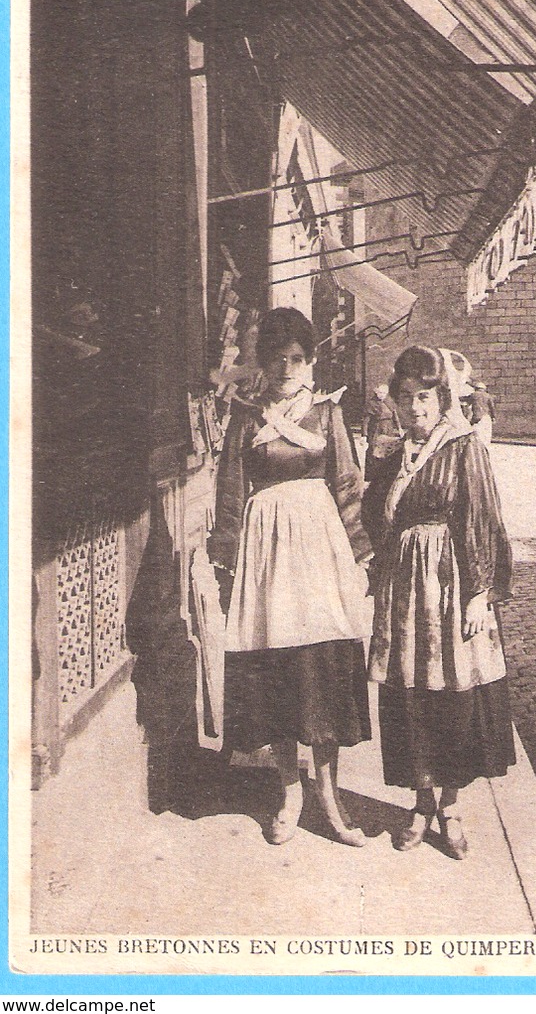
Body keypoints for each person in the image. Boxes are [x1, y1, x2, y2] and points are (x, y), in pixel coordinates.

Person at [208, 307, 372, 847]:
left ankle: (330, 797)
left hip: (318, 550)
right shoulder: (247, 418)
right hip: (267, 553)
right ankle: (288, 792)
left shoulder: (326, 414)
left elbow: (346, 485)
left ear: (311, 360)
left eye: (297, 358)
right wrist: (227, 560)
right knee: (279, 665)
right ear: (263, 363)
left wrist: (360, 557)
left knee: (321, 664)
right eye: (277, 358)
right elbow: (230, 491)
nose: (287, 367)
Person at [362, 345, 515, 860]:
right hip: (405, 591)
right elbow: (371, 517)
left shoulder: (464, 446)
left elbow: (483, 518)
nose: (415, 409)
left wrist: (481, 593)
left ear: (441, 397)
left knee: (452, 693)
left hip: (450, 588)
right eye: (405, 399)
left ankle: (449, 806)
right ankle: (420, 802)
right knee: (411, 694)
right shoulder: (389, 452)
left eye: (424, 397)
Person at [362, 383, 402, 481]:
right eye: (380, 392)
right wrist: (364, 435)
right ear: (376, 392)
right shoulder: (371, 403)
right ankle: (371, 477)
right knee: (373, 452)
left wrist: (399, 428)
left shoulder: (389, 402)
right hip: (376, 429)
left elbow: (395, 416)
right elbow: (366, 421)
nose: (382, 395)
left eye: (384, 393)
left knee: (387, 451)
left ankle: (384, 476)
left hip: (388, 429)